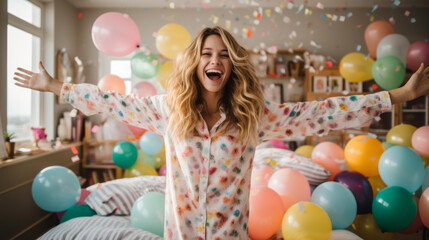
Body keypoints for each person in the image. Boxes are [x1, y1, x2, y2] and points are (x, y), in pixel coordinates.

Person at [13, 26, 429, 239]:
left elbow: (322, 113)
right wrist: (56, 88)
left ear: (231, 67)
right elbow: (113, 101)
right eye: (208, 53)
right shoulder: (168, 112)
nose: (216, 60)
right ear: (197, 63)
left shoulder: (253, 117)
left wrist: (397, 96)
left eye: (224, 55)